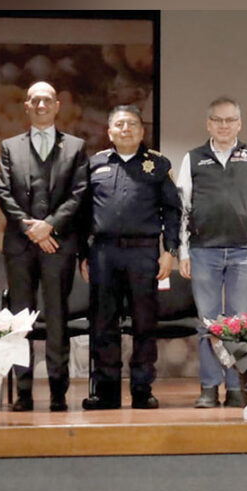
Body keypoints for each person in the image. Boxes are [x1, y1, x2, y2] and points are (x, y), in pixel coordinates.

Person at [0, 82, 89, 412]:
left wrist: (50, 225)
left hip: (57, 244)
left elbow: (79, 193)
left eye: (47, 100)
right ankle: (23, 392)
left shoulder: (75, 147)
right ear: (26, 106)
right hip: (20, 246)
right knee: (20, 321)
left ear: (57, 105)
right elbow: (3, 192)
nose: (40, 105)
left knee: (57, 317)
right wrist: (31, 229)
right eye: (34, 100)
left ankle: (58, 392)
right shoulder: (10, 147)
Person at [80, 105, 180, 410]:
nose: (126, 129)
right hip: (104, 253)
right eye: (120, 125)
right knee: (103, 323)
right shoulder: (95, 164)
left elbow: (172, 211)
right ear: (109, 132)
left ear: (142, 130)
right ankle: (106, 391)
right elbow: (82, 214)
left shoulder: (158, 165)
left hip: (143, 252)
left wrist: (169, 251)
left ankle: (142, 389)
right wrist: (83, 255)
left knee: (144, 323)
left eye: (132, 124)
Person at [177, 97, 247, 408]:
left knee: (237, 324)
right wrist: (183, 252)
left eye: (230, 120)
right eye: (218, 120)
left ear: (239, 124)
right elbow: (182, 207)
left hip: (244, 251)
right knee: (208, 323)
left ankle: (235, 387)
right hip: (203, 252)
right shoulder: (193, 159)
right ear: (208, 124)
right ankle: (208, 387)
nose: (224, 125)